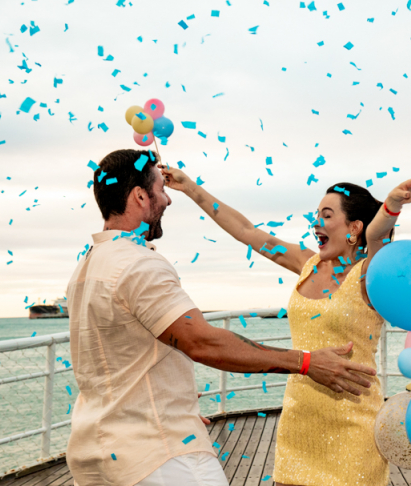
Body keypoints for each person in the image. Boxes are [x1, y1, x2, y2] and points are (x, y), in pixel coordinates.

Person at [66, 149, 376, 486]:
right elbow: (201, 340)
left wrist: (173, 402)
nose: (168, 200)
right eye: (161, 190)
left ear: (355, 226)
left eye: (326, 215)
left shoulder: (86, 268)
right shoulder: (140, 264)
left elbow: (115, 356)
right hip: (156, 455)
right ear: (140, 196)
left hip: (96, 452)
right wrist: (305, 363)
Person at [162, 164, 411, 486]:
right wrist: (189, 187)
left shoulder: (370, 274)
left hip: (354, 426)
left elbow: (377, 235)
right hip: (298, 421)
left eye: (326, 215)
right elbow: (246, 231)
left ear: (353, 227)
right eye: (316, 215)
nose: (316, 223)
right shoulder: (306, 264)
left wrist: (392, 204)